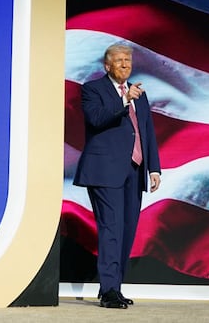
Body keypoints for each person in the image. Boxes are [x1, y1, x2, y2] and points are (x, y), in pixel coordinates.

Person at [73, 42, 161, 309]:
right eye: (120, 60)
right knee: (111, 229)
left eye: (128, 61)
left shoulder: (139, 93)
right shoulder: (93, 89)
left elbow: (147, 130)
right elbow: (97, 119)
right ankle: (109, 289)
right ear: (107, 65)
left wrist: (154, 168)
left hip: (134, 172)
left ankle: (115, 287)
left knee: (126, 231)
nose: (125, 64)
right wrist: (125, 100)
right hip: (104, 172)